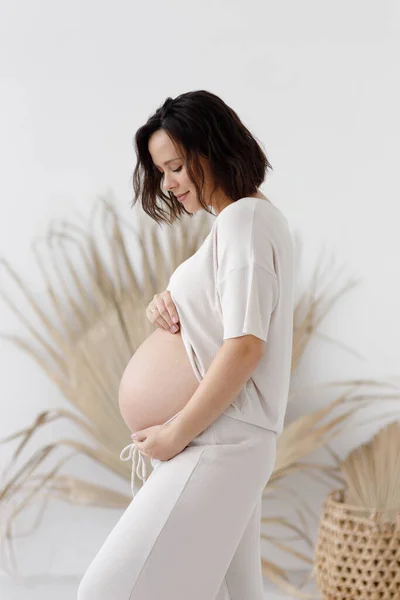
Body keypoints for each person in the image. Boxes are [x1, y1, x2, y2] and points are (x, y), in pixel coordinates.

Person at [77, 90, 295, 600]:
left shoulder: (244, 221)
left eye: (176, 167)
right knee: (238, 594)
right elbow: (223, 321)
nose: (169, 184)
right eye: (161, 172)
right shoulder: (244, 224)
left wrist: (174, 434)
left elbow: (245, 348)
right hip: (227, 442)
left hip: (220, 443)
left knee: (104, 591)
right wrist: (169, 301)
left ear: (213, 149)